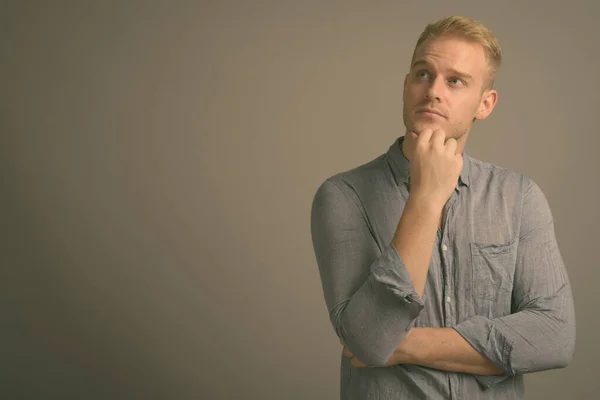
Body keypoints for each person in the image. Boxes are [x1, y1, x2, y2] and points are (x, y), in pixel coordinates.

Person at [310, 15, 575, 399]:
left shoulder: (519, 198)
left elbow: (555, 337)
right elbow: (369, 340)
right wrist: (426, 196)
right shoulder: (343, 195)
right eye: (423, 74)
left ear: (485, 104)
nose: (433, 91)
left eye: (455, 81)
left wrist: (402, 345)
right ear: (405, 86)